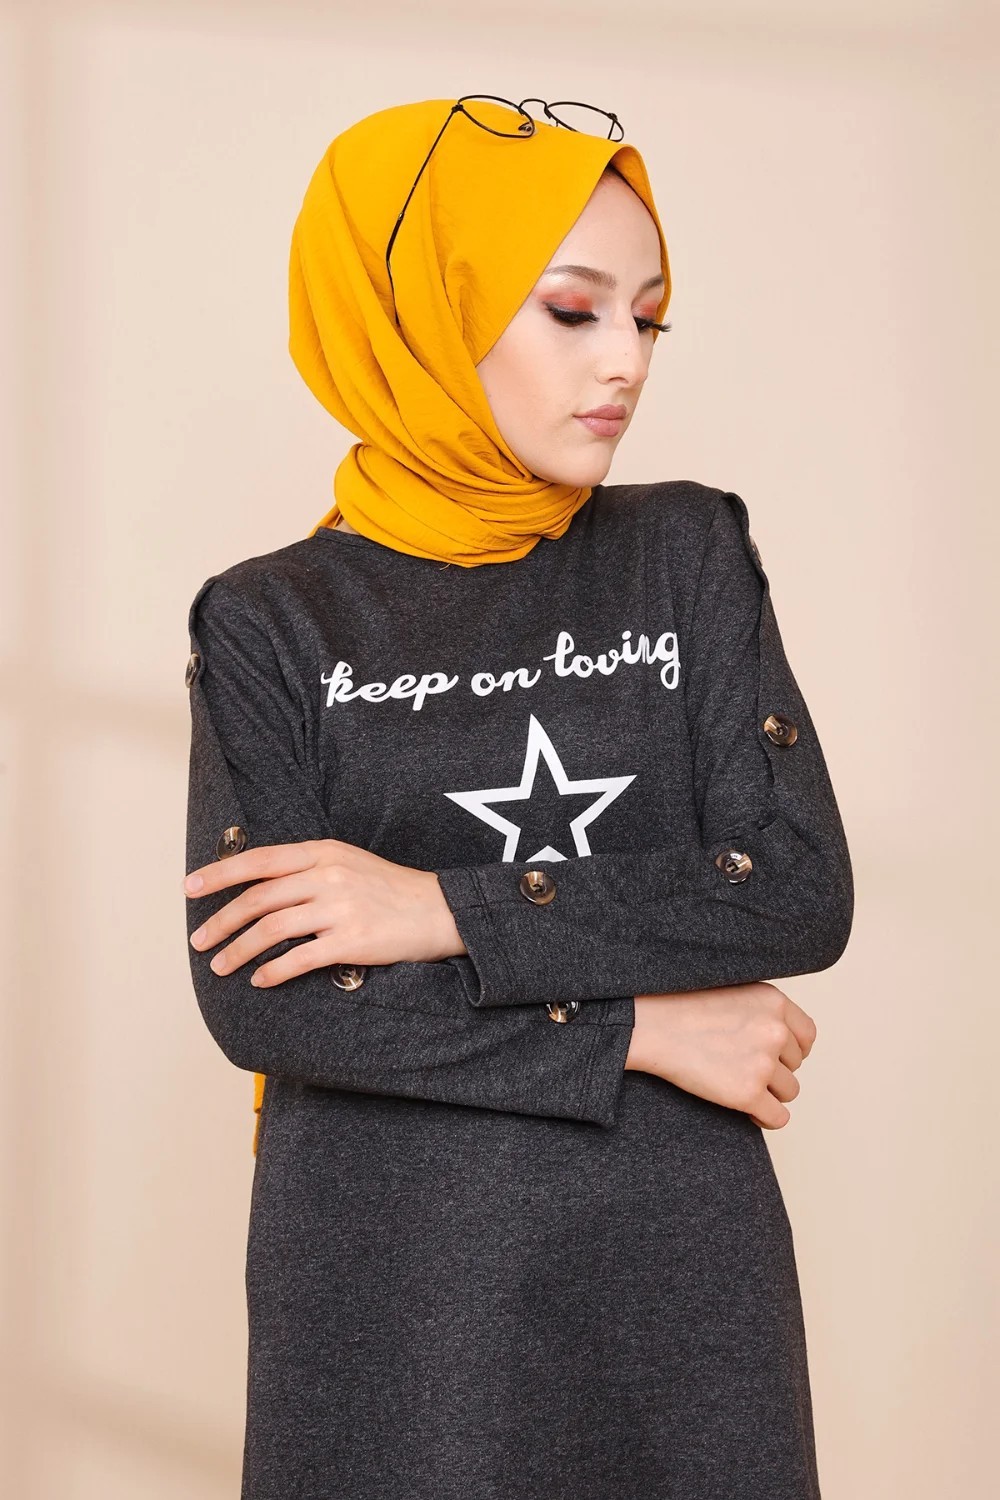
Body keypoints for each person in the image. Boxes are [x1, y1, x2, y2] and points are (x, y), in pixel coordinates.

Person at [182, 96, 853, 1500]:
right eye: (571, 310)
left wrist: (439, 907)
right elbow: (272, 1004)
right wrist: (639, 1030)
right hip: (396, 1278)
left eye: (650, 318)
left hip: (678, 1265)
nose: (626, 362)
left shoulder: (685, 551)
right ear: (420, 315)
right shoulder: (270, 621)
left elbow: (791, 886)